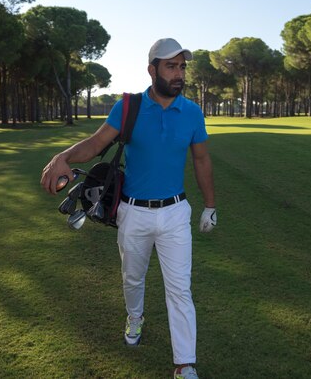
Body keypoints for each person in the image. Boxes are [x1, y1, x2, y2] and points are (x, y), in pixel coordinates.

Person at [40, 38, 216, 379]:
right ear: (152, 70)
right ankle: (135, 318)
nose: (178, 73)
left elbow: (202, 159)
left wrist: (210, 206)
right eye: (171, 66)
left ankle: (184, 365)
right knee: (133, 278)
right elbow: (95, 143)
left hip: (176, 212)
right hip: (133, 212)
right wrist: (62, 157)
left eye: (182, 66)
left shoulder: (193, 112)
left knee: (180, 288)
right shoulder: (129, 107)